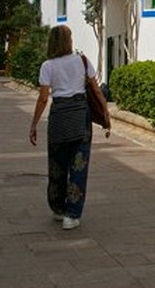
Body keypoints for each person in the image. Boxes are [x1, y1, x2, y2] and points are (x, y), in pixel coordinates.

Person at [29, 25, 106, 230]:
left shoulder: (47, 66)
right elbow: (96, 91)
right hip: (80, 116)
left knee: (57, 166)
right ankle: (72, 215)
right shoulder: (82, 61)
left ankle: (57, 208)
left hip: (59, 117)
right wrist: (105, 115)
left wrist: (34, 124)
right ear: (69, 41)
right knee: (78, 166)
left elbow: (44, 98)